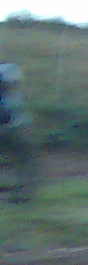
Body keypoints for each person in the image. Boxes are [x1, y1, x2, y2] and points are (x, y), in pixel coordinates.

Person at [0, 62, 38, 203]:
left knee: (24, 162)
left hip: (13, 130)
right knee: (24, 161)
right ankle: (21, 193)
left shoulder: (11, 96)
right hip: (10, 130)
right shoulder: (7, 96)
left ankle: (21, 192)